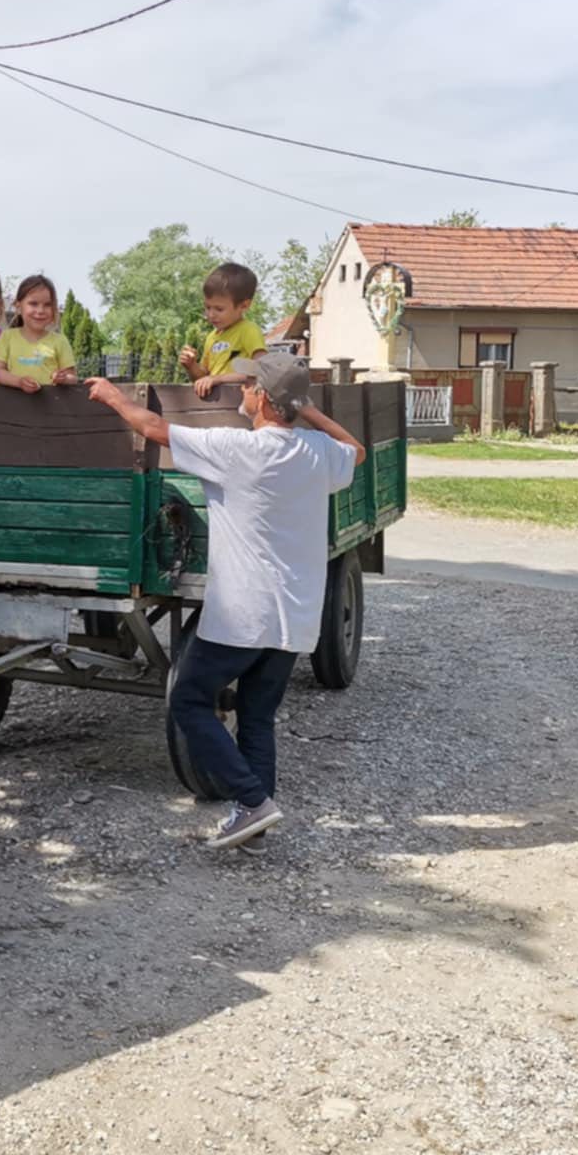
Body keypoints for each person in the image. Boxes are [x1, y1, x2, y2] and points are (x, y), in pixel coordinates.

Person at [84, 355, 363, 849]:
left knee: (188, 699)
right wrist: (307, 410)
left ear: (263, 400)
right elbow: (356, 450)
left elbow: (153, 427)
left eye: (251, 385)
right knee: (257, 715)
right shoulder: (318, 453)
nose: (242, 391)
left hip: (243, 613)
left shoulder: (237, 450)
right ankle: (252, 819)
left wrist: (111, 397)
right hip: (293, 618)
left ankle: (253, 800)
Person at [179, 261, 267, 400]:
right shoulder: (212, 337)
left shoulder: (248, 330)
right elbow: (205, 376)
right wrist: (191, 366)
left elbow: (262, 368)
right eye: (208, 308)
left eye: (219, 309)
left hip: (241, 406)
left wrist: (218, 379)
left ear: (244, 305)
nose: (211, 314)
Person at [0, 274, 79, 392]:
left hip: (52, 408)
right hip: (12, 406)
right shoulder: (7, 337)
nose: (40, 311)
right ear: (18, 306)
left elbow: (72, 377)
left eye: (47, 305)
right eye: (33, 304)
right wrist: (19, 382)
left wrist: (63, 378)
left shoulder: (60, 341)